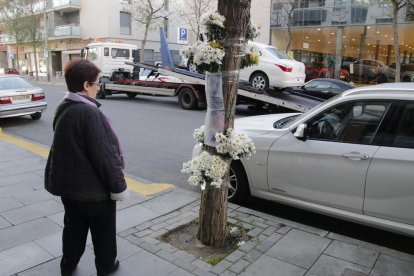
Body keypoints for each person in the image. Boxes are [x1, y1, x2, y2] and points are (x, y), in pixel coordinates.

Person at [44, 59, 128, 276]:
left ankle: (68, 266)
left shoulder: (64, 106)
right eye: (96, 83)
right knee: (103, 233)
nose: (98, 88)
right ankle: (107, 266)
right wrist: (118, 187)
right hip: (93, 193)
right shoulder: (89, 113)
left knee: (73, 229)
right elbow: (105, 156)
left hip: (69, 189)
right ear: (85, 85)